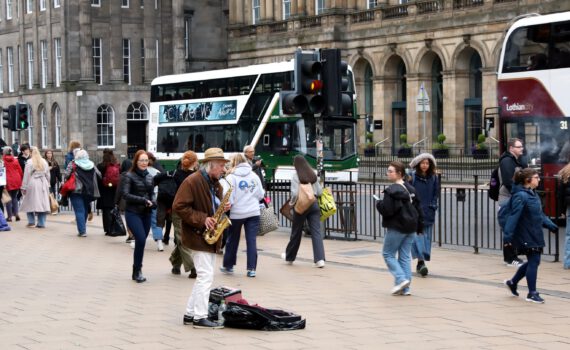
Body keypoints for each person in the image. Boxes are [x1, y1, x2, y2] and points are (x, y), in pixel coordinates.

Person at [173, 147, 230, 329]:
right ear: (210, 165)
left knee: (203, 277)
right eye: (221, 166)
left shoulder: (215, 183)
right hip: (198, 235)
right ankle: (200, 317)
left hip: (207, 235)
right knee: (205, 276)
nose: (224, 169)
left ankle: (190, 314)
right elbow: (179, 206)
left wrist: (222, 207)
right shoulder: (193, 181)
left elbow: (212, 208)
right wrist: (202, 219)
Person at [503, 168, 557, 303]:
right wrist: (507, 237)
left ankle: (513, 282)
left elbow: (539, 214)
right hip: (526, 234)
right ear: (528, 180)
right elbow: (513, 217)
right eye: (536, 177)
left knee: (534, 261)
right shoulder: (520, 196)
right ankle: (532, 293)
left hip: (534, 232)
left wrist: (550, 224)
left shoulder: (533, 194)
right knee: (534, 261)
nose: (539, 179)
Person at [377, 161, 423, 296]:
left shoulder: (391, 190)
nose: (388, 173)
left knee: (388, 254)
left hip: (397, 226)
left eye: (390, 171)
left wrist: (378, 204)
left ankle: (401, 279)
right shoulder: (411, 189)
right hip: (411, 227)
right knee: (404, 257)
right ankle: (405, 288)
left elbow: (388, 210)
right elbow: (418, 209)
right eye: (388, 171)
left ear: (400, 174)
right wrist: (420, 226)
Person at [220, 153, 264, 278]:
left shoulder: (231, 177)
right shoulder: (254, 175)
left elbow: (227, 197)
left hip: (237, 213)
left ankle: (228, 266)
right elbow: (261, 194)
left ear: (233, 163)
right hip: (253, 212)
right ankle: (251, 269)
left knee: (232, 239)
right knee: (251, 241)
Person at [157, 151, 198, 278]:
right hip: (190, 210)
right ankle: (193, 268)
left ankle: (175, 264)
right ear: (195, 162)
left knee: (182, 238)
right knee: (183, 238)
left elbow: (156, 178)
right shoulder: (198, 176)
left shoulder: (174, 173)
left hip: (178, 210)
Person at [281, 155, 325, 267]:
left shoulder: (296, 176)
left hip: (301, 206)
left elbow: (295, 194)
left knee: (296, 232)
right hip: (314, 204)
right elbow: (320, 192)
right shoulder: (312, 174)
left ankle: (289, 257)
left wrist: (292, 203)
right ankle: (320, 260)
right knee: (316, 232)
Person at [121, 150, 155, 283]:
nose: (144, 163)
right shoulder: (129, 176)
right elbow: (125, 194)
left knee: (142, 242)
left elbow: (152, 193)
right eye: (141, 160)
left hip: (146, 213)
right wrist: (143, 200)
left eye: (146, 160)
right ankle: (137, 270)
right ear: (136, 161)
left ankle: (136, 270)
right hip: (133, 212)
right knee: (140, 239)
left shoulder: (149, 176)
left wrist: (153, 202)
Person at [408, 153, 439, 277]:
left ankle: (421, 263)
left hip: (429, 211)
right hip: (415, 211)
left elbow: (436, 193)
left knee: (427, 237)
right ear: (418, 164)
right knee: (417, 236)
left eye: (427, 163)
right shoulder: (412, 177)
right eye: (423, 163)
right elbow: (408, 192)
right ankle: (422, 257)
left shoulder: (434, 177)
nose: (425, 165)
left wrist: (433, 205)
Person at [499, 138, 527, 267]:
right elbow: (508, 182)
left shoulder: (515, 161)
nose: (522, 148)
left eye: (522, 146)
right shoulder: (506, 161)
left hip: (513, 198)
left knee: (514, 229)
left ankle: (513, 256)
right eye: (519, 147)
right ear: (511, 148)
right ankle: (510, 258)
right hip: (508, 200)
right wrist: (519, 192)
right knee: (509, 229)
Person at [64, 149, 100, 237]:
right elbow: (99, 174)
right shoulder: (91, 164)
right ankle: (82, 229)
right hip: (88, 190)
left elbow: (66, 175)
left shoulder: (73, 164)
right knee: (84, 210)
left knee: (79, 211)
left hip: (76, 190)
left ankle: (82, 231)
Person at [19, 147, 51, 228]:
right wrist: (48, 183)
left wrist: (24, 187)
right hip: (43, 182)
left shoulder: (29, 162)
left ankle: (31, 221)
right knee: (42, 203)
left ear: (31, 152)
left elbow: (26, 175)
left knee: (29, 202)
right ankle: (41, 223)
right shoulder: (44, 161)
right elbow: (48, 174)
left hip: (33, 182)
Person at [65, 141, 93, 222]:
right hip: (87, 185)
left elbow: (67, 172)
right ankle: (88, 211)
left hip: (75, 184)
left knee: (79, 209)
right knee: (84, 205)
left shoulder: (70, 157)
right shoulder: (86, 158)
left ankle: (81, 227)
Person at [97, 149, 120, 236]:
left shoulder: (101, 166)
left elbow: (98, 178)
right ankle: (113, 228)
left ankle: (107, 229)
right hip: (114, 190)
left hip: (104, 191)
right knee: (113, 209)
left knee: (106, 211)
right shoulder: (116, 165)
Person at [146, 152, 164, 251]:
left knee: (141, 220)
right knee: (155, 221)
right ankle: (159, 242)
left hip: (142, 199)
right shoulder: (157, 172)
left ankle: (136, 241)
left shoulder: (138, 172)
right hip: (154, 199)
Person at [3, 147, 23, 222]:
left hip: (7, 180)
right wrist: (21, 179)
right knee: (14, 197)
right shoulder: (15, 160)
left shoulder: (3, 161)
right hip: (16, 180)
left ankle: (9, 216)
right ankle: (16, 213)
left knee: (8, 199)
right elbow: (20, 171)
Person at [558, 163, 570, 270]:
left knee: (569, 236)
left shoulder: (565, 172)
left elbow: (560, 194)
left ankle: (567, 262)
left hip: (569, 207)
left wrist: (561, 210)